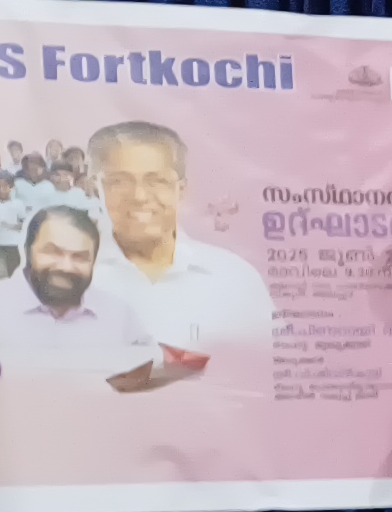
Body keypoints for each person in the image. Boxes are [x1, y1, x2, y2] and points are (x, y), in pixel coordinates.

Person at [85, 120, 275, 362]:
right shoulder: (65, 279)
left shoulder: (234, 277)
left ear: (182, 190)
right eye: (119, 181)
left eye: (157, 181)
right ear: (94, 188)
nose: (139, 196)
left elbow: (268, 371)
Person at [0, 206, 168, 383]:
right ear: (27, 251)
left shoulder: (120, 317)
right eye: (52, 252)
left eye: (79, 257)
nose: (65, 266)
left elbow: (152, 373)